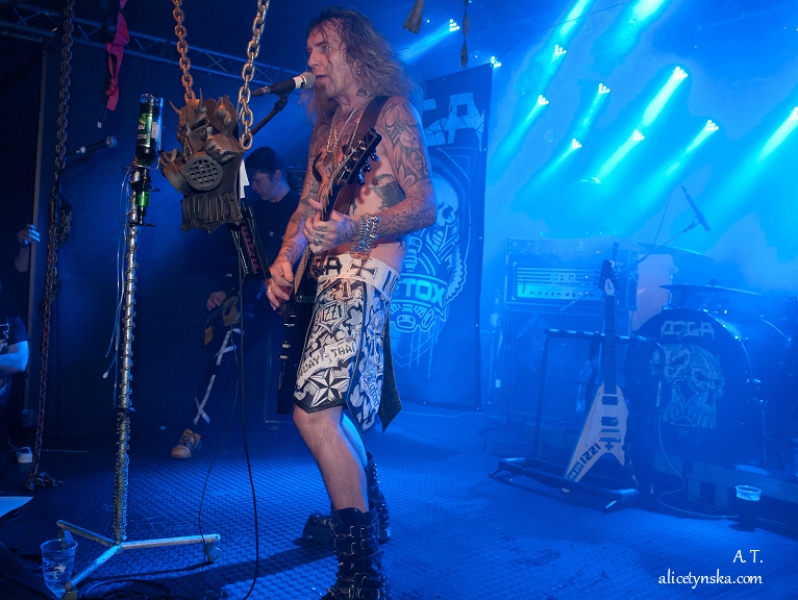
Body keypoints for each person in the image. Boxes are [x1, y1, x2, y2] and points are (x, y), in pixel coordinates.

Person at [267, 8, 436, 599]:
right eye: (308, 49)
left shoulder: (391, 111)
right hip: (325, 269)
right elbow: (307, 207)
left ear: (355, 52)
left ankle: (362, 577)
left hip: (366, 267)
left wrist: (350, 232)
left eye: (322, 47)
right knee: (327, 414)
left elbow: (423, 206)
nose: (311, 59)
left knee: (314, 414)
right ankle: (370, 510)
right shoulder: (327, 127)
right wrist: (284, 259)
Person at [171, 147, 300, 458]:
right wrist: (225, 289)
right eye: (251, 181)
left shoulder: (300, 209)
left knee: (300, 364)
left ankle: (309, 438)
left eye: (258, 180)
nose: (253, 186)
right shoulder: (252, 212)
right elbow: (240, 259)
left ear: (277, 175)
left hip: (292, 301)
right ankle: (193, 431)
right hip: (255, 298)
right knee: (225, 353)